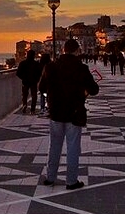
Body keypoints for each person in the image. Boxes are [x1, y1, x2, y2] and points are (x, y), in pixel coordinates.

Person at [39, 38, 99, 190]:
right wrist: (84, 91)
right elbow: (94, 89)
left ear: (63, 50)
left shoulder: (50, 66)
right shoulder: (81, 68)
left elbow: (42, 88)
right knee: (73, 147)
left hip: (56, 112)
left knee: (54, 146)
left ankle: (50, 177)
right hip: (74, 112)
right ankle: (71, 181)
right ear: (77, 51)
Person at [16, 49, 42, 114]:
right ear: (33, 55)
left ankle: (24, 105)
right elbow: (39, 72)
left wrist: (23, 78)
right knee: (34, 96)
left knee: (25, 95)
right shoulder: (36, 64)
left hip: (25, 82)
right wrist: (37, 79)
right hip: (33, 82)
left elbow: (18, 73)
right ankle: (32, 110)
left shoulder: (23, 63)